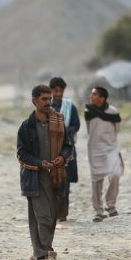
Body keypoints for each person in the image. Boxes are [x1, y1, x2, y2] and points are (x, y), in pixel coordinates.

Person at [17, 84, 73, 260]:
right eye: (43, 99)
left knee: (49, 216)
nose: (48, 102)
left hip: (57, 177)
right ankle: (47, 254)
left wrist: (61, 158)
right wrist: (40, 163)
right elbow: (21, 154)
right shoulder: (27, 126)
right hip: (35, 177)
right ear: (34, 100)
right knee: (43, 217)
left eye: (49, 99)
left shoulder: (58, 122)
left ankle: (37, 253)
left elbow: (68, 147)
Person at [85, 86, 123, 222]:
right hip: (94, 149)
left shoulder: (113, 111)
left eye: (94, 94)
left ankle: (111, 205)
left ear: (102, 98)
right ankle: (98, 211)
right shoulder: (88, 111)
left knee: (115, 175)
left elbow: (116, 129)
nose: (91, 96)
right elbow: (89, 129)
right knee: (96, 181)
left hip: (111, 148)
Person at [49, 76, 80, 222]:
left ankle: (62, 213)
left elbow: (76, 125)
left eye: (61, 90)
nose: (59, 93)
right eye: (56, 91)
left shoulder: (69, 106)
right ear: (51, 91)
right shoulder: (45, 106)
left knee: (64, 181)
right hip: (49, 150)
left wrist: (67, 130)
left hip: (66, 149)